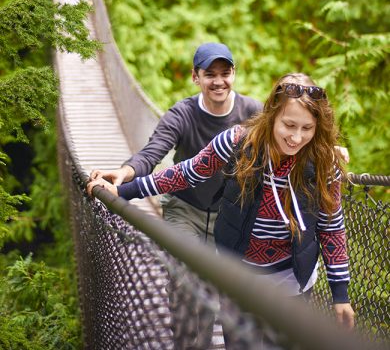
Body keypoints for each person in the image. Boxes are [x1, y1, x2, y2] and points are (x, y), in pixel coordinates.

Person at [87, 72, 355, 347]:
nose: (297, 137)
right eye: (289, 125)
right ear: (272, 114)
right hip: (235, 276)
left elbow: (331, 227)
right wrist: (123, 191)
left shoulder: (324, 164)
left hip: (292, 284)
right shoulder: (238, 142)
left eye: (307, 128)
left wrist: (340, 295)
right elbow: (186, 173)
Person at [88, 42, 263, 243]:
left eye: (225, 73)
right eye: (210, 74)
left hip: (231, 214)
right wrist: (124, 172)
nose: (219, 81)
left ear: (234, 73)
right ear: (195, 77)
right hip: (184, 210)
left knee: (218, 273)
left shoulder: (253, 113)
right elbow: (151, 154)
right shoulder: (182, 114)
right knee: (188, 266)